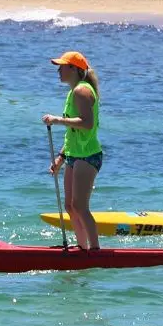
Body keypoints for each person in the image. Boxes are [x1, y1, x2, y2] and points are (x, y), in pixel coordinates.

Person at [42, 50, 102, 252]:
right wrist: (61, 156)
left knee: (80, 206)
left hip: (88, 155)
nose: (58, 70)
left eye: (62, 67)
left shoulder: (82, 91)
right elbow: (72, 133)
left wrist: (58, 120)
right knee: (69, 206)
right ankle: (82, 247)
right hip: (74, 155)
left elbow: (87, 123)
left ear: (74, 69)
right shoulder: (72, 92)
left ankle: (94, 251)